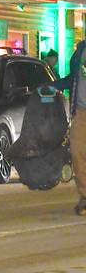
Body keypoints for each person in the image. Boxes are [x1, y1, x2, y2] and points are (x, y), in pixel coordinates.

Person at [50, 41, 86, 215]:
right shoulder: (80, 52)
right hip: (81, 112)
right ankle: (85, 196)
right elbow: (73, 79)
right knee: (77, 153)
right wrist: (52, 86)